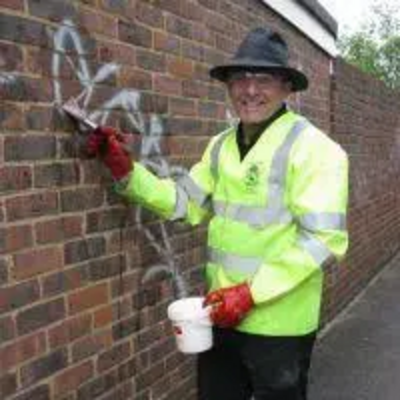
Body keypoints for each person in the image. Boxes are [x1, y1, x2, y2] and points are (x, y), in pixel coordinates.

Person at [86, 27, 349, 400]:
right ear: (227, 86)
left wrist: (251, 293)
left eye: (264, 79)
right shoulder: (221, 146)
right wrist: (127, 173)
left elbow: (323, 240)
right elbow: (185, 204)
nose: (250, 89)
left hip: (280, 325)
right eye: (240, 78)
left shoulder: (317, 150)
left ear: (287, 87)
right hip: (221, 314)